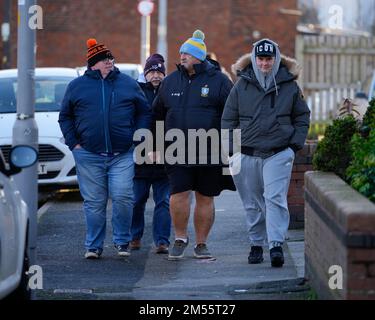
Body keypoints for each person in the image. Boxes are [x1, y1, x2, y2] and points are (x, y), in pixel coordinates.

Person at [58, 38, 151, 259]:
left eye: (110, 58)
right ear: (93, 63)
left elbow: (144, 112)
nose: (109, 62)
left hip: (123, 154)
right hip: (88, 154)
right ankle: (93, 246)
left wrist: (138, 137)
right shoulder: (76, 86)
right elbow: (65, 116)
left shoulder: (127, 83)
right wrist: (75, 145)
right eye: (104, 59)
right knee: (94, 203)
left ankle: (122, 242)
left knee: (123, 197)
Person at [221, 38, 310, 267]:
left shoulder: (289, 85)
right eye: (260, 59)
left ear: (276, 59)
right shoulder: (241, 85)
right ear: (254, 59)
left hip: (278, 153)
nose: (264, 63)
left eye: (268, 59)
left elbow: (302, 116)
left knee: (274, 199)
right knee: (252, 202)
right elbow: (228, 119)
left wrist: (293, 146)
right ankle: (256, 245)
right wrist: (232, 150)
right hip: (245, 154)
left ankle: (276, 245)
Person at [152, 30, 236, 261]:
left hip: (210, 150)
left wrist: (231, 148)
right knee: (177, 195)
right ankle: (180, 238)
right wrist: (157, 145)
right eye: (181, 53)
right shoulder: (169, 81)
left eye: (187, 53)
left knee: (205, 197)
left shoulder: (220, 81)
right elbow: (157, 115)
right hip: (176, 149)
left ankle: (201, 243)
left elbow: (232, 115)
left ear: (199, 56)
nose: (182, 56)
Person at [130, 53, 171, 254]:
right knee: (137, 199)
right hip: (141, 157)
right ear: (145, 74)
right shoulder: (137, 94)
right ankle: (134, 236)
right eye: (151, 71)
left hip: (166, 157)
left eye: (158, 71)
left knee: (163, 202)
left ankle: (162, 240)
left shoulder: (171, 92)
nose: (155, 75)